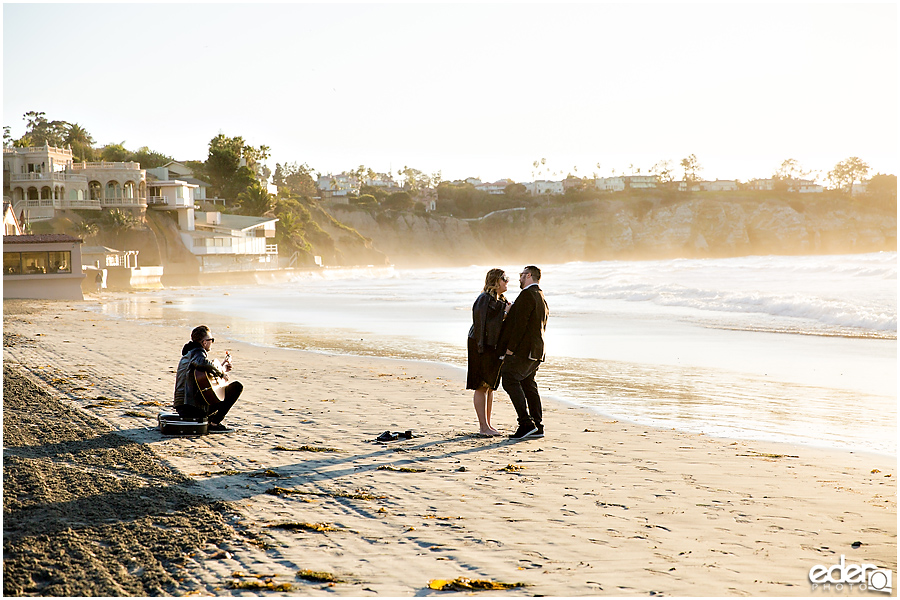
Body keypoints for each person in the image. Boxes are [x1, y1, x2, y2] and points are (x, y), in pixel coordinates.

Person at [498, 265, 549, 439]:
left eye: (521, 275)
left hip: (525, 350)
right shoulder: (540, 296)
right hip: (537, 350)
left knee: (510, 378)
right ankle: (537, 426)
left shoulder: (527, 295)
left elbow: (520, 325)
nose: (519, 279)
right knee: (528, 383)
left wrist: (510, 349)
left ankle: (526, 423)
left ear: (528, 276)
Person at [466, 268, 511, 435]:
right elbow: (482, 325)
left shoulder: (500, 299)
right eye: (504, 278)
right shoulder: (484, 299)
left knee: (490, 386)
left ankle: (488, 425)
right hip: (480, 344)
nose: (507, 282)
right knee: (480, 385)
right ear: (495, 281)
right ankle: (483, 427)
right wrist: (504, 313)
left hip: (491, 346)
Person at [173, 325, 242, 433]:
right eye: (211, 340)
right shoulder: (198, 353)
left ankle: (211, 421)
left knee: (216, 392)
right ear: (204, 342)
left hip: (183, 406)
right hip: (192, 407)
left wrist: (222, 368)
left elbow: (201, 378)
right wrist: (220, 373)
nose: (212, 343)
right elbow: (202, 363)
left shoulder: (189, 353)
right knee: (237, 387)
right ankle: (214, 424)